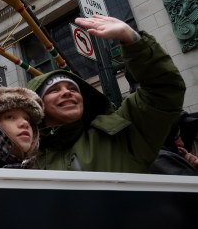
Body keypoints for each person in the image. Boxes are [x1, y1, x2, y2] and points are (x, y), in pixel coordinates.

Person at [27, 15, 186, 173]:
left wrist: (133, 40)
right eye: (54, 90)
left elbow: (163, 89)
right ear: (37, 106)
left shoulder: (121, 132)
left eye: (73, 88)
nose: (67, 93)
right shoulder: (28, 160)